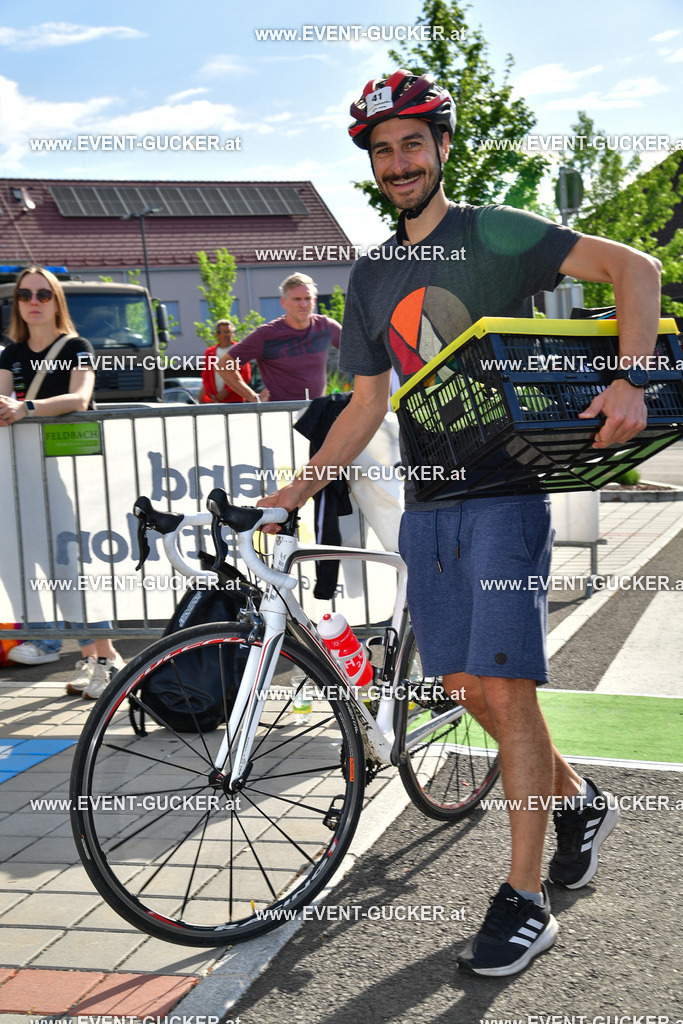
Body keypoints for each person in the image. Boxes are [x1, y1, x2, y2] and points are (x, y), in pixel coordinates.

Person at [259, 71, 661, 976]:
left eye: (412, 143)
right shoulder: (371, 274)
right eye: (382, 149)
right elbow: (368, 403)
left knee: (506, 690)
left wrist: (629, 375)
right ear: (370, 163)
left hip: (508, 493)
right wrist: (297, 486)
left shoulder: (494, 232)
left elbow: (635, 269)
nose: (398, 162)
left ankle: (522, 901)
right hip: (428, 503)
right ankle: (580, 800)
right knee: (468, 690)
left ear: (440, 147)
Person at [0, 266, 125, 699]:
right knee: (42, 567)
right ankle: (90, 655)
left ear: (56, 300)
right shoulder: (10, 354)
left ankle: (107, 658)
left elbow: (79, 397)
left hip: (67, 473)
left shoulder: (77, 346)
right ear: (16, 303)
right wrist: (8, 407)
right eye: (25, 295)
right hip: (23, 476)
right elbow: (3, 400)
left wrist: (25, 408)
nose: (34, 301)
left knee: (70, 567)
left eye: (43, 294)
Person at [216, 273, 341, 402]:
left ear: (314, 301)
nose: (303, 304)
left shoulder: (326, 326)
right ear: (283, 302)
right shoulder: (265, 335)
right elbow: (224, 366)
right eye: (297, 299)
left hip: (316, 411)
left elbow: (358, 353)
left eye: (307, 298)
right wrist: (253, 397)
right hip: (280, 414)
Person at [198, 319, 259, 404]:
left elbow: (245, 375)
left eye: (230, 332)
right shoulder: (210, 352)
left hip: (235, 400)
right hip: (216, 401)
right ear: (217, 335)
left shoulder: (239, 350)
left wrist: (226, 390)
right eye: (225, 332)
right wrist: (211, 394)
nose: (228, 335)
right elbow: (206, 375)